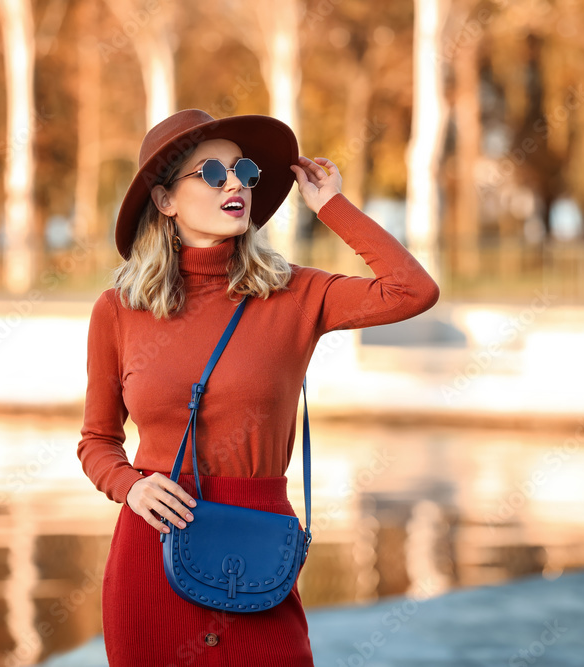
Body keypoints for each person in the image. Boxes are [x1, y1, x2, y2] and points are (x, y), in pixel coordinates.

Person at [77, 108, 440, 666]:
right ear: (165, 200)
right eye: (212, 173)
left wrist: (332, 208)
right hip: (153, 549)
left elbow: (411, 290)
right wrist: (131, 486)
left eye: (243, 171)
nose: (237, 184)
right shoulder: (120, 311)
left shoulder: (294, 292)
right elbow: (97, 440)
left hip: (256, 554)